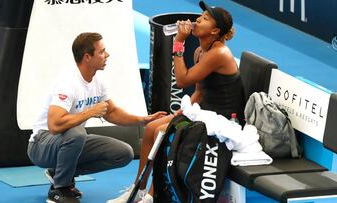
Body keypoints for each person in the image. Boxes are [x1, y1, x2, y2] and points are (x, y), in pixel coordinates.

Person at [107, 1, 245, 203]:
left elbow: (182, 81)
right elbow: (199, 90)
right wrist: (183, 112)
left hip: (223, 121)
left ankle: (154, 195)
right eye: (201, 15)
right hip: (204, 112)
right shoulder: (201, 51)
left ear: (215, 31)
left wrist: (179, 41)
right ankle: (139, 189)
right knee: (150, 129)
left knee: (161, 132)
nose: (198, 19)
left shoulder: (219, 53)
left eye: (205, 18)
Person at [27, 32, 166, 203]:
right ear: (87, 57)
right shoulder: (67, 82)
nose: (107, 55)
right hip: (41, 144)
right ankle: (60, 190)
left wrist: (142, 120)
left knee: (123, 153)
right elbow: (54, 125)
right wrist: (90, 112)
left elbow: (112, 112)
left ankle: (59, 173)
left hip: (68, 141)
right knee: (77, 133)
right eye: (102, 52)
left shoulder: (97, 80)